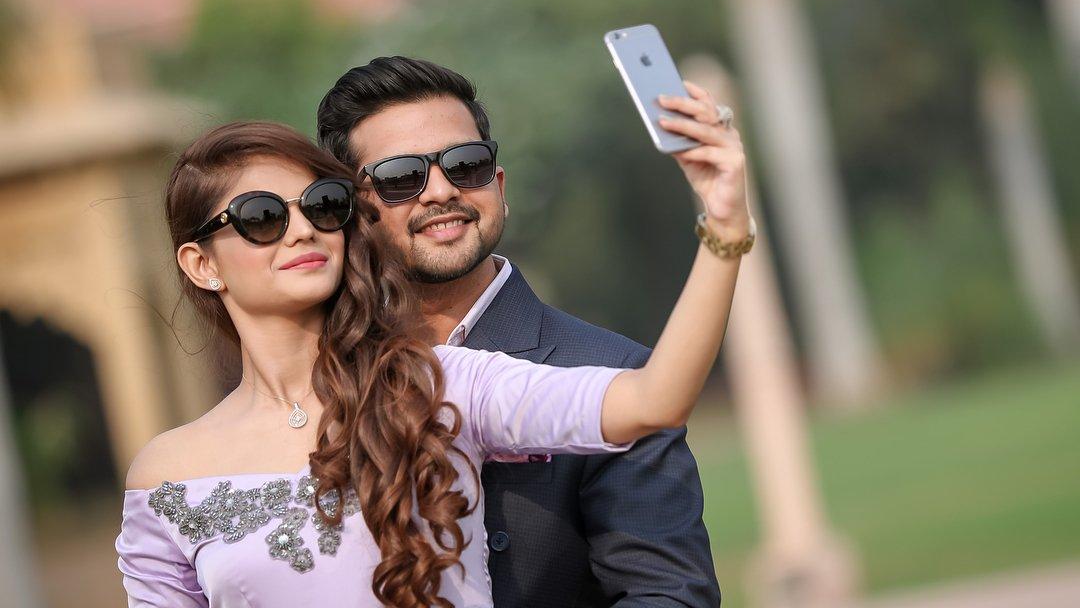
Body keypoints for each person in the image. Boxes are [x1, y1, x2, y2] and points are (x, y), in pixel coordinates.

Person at [117, 76, 749, 606]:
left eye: (320, 204)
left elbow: (656, 398)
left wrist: (724, 224)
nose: (302, 229)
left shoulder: (433, 383)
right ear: (202, 264)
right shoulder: (164, 475)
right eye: (262, 218)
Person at [317, 56, 745, 606]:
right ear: (352, 211)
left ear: (498, 184)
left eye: (465, 165)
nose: (441, 191)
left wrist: (727, 225)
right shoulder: (321, 376)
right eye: (402, 178)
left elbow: (667, 594)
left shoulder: (607, 372)